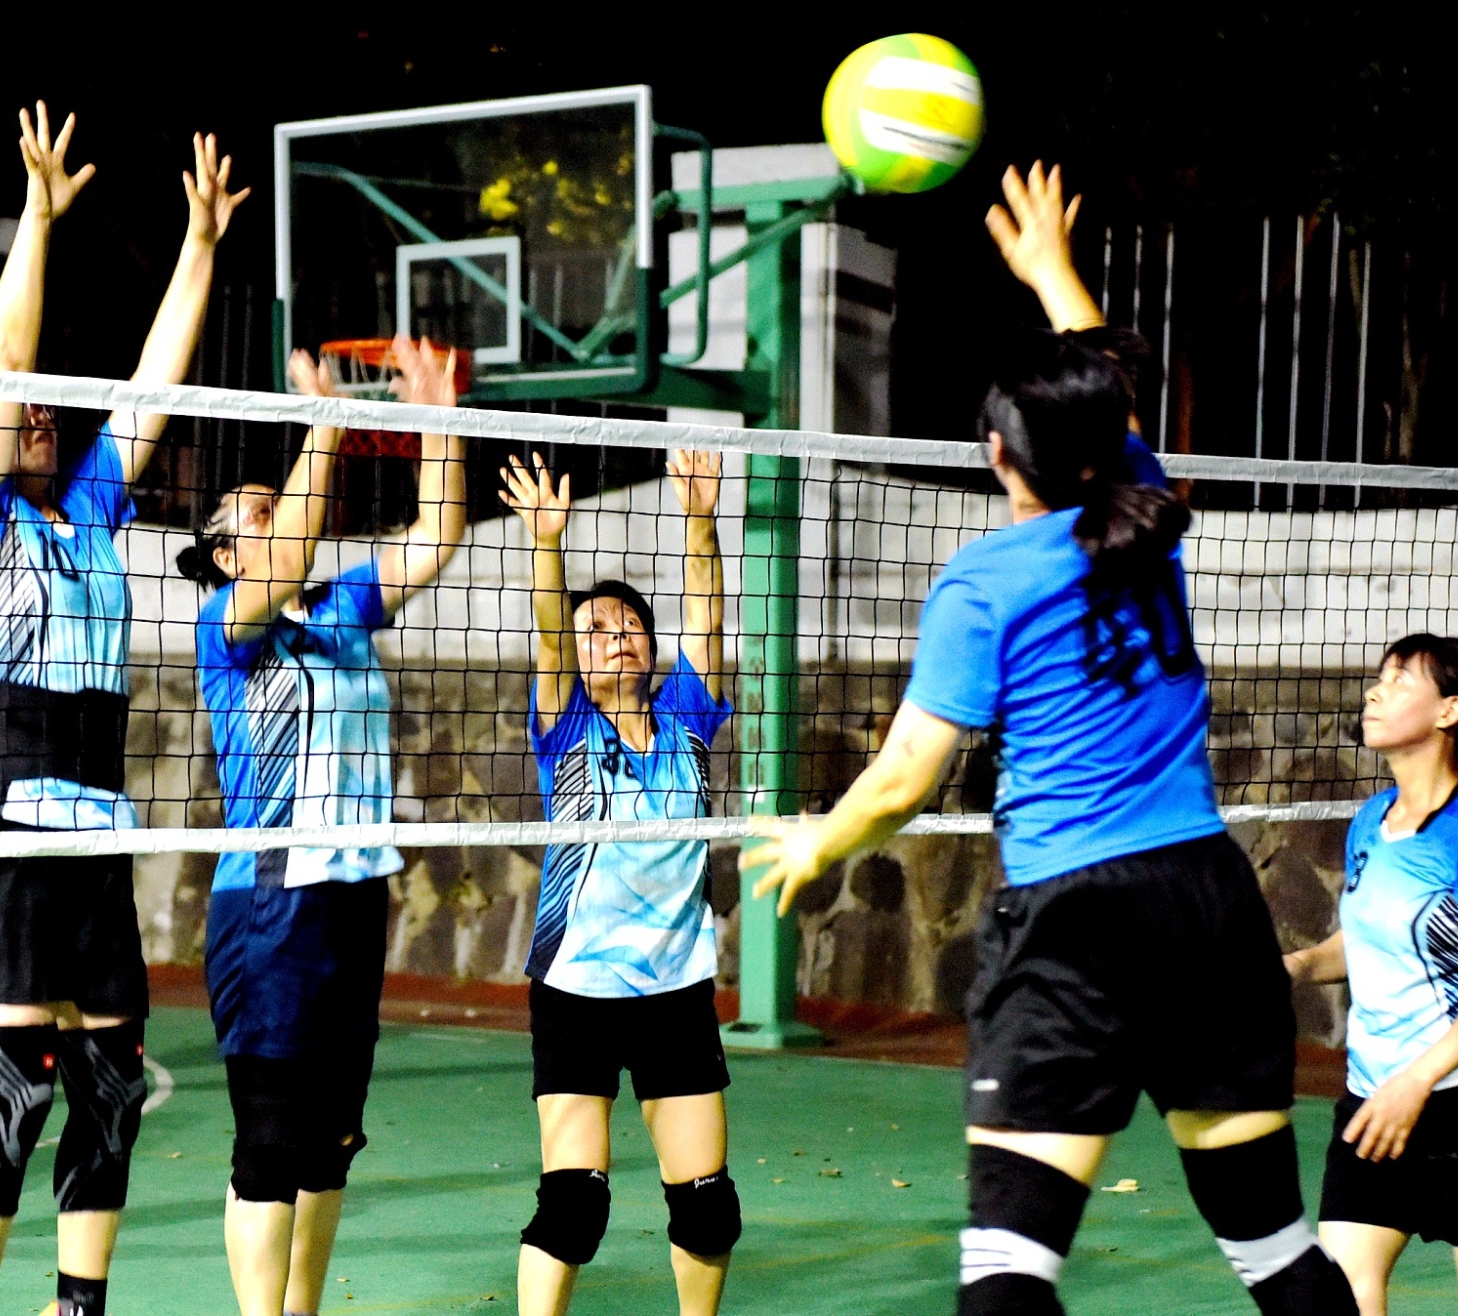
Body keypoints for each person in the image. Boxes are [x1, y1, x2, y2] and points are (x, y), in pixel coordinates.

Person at [742, 163, 1357, 1316]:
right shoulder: (1143, 512)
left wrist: (819, 842)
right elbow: (1112, 400)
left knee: (1009, 1272)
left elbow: (902, 779)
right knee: (1275, 1250)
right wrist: (1050, 271)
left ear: (994, 453)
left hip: (1079, 923)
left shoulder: (983, 582)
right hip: (1206, 906)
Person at [0, 102, 246, 1316]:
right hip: (2, 817)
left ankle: (78, 1305)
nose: (40, 414)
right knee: (14, 1089)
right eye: (16, 415)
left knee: (106, 1092)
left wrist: (198, 245)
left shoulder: (95, 505)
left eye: (54, 410)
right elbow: (7, 366)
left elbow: (154, 383)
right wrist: (38, 220)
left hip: (94, 820)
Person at [179, 338, 466, 1316]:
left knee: (332, 1139)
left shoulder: (341, 609)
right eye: (256, 513)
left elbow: (437, 535)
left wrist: (437, 419)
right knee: (268, 1141)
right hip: (271, 901)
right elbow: (293, 550)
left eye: (283, 502)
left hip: (353, 895)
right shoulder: (227, 625)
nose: (280, 515)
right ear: (226, 554)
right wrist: (327, 421)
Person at [496, 446, 737, 1316]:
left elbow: (707, 612)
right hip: (578, 988)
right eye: (597, 628)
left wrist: (700, 521)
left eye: (629, 623)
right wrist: (546, 544)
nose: (616, 634)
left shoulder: (688, 718)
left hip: (676, 986)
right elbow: (548, 634)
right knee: (574, 1207)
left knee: (708, 1208)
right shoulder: (565, 726)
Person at [1284, 636, 1458, 1316]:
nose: (1375, 692)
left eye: (1401, 681)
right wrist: (1300, 965)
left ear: (1448, 711)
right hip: (1373, 1098)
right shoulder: (1371, 820)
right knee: (1342, 1298)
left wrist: (1417, 1082)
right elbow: (1364, 942)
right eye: (1380, 678)